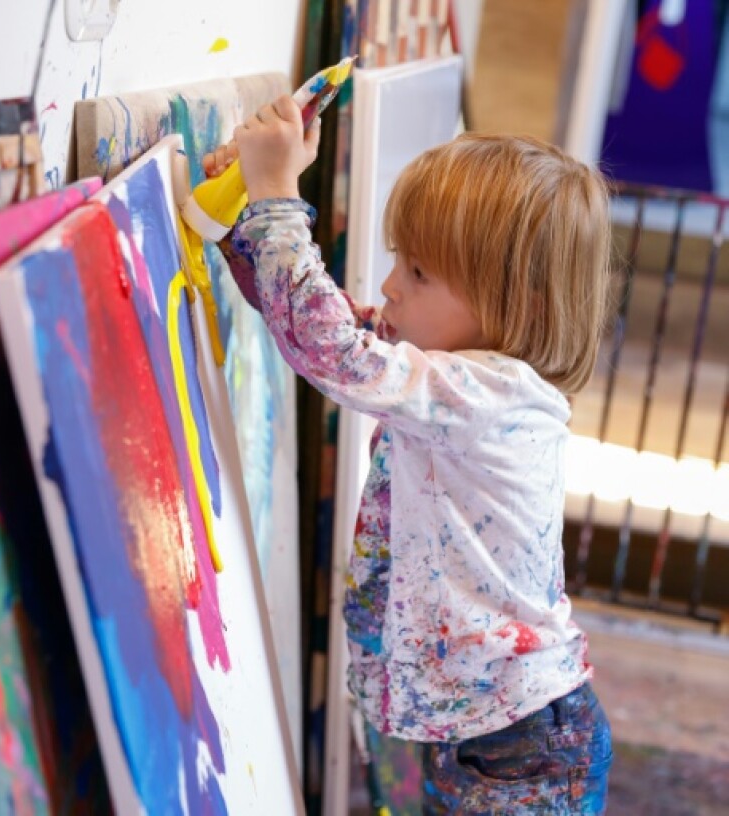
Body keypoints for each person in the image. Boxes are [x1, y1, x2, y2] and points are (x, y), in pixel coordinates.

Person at [206, 96, 615, 814]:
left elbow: (329, 347)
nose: (391, 284)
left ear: (519, 301)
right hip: (466, 726)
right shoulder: (443, 373)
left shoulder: (489, 396)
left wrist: (277, 198)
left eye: (418, 273)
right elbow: (315, 317)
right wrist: (244, 219)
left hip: (524, 746)